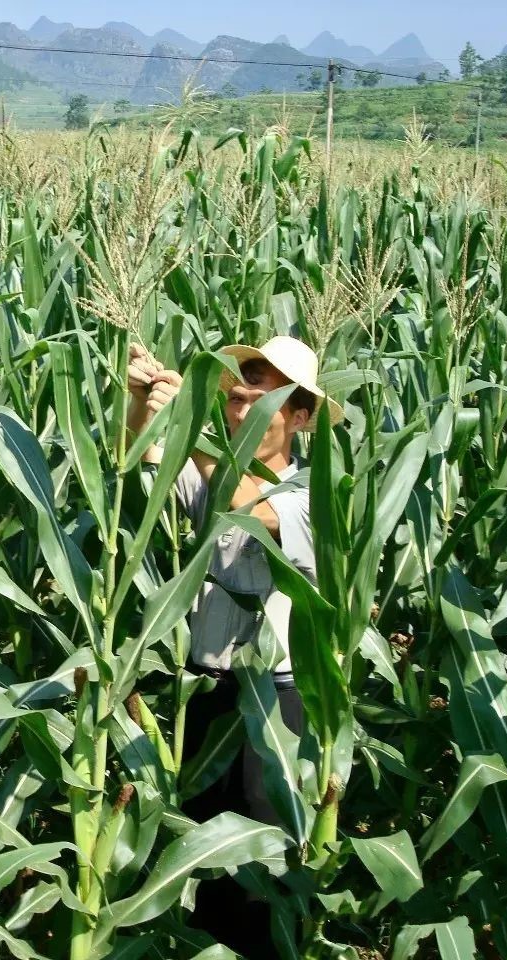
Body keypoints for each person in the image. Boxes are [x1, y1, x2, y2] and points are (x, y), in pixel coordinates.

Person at [126, 335, 343, 959]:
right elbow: (128, 457)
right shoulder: (207, 469)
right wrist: (142, 404)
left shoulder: (311, 496)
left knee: (257, 876)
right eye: (239, 387)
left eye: (264, 393)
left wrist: (188, 421)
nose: (242, 401)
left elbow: (243, 503)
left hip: (276, 705)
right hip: (206, 696)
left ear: (301, 417)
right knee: (199, 862)